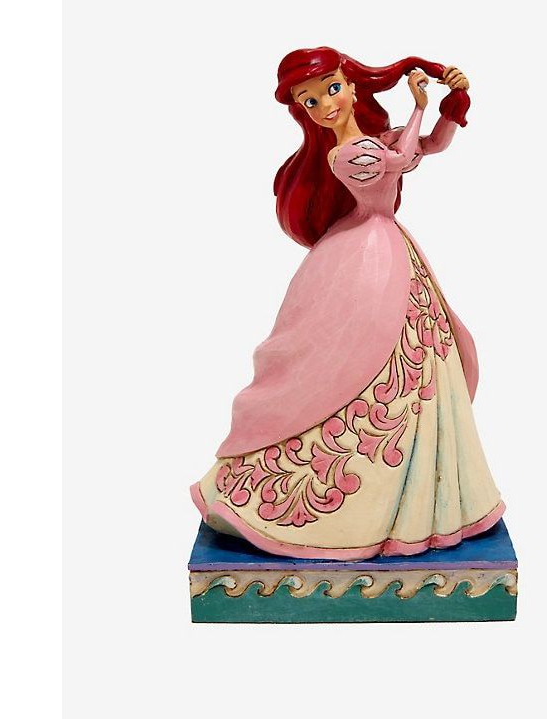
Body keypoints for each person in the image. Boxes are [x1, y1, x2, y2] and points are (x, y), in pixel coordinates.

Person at [190, 47, 505, 560]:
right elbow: (397, 163)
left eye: (332, 89)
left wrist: (453, 104)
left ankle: (414, 492)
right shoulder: (344, 155)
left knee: (414, 360)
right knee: (339, 358)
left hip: (385, 248)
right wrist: (419, 104)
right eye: (310, 101)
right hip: (361, 257)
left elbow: (429, 146)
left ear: (353, 88)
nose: (325, 105)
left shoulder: (371, 141)